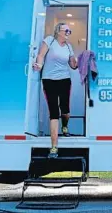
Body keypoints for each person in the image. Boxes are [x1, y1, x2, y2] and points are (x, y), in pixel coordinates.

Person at [33, 23, 77, 158]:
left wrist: (76, 62)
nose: (69, 33)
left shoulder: (69, 47)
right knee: (53, 111)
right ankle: (54, 147)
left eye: (70, 31)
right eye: (67, 30)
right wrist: (39, 65)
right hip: (49, 80)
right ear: (58, 31)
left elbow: (72, 65)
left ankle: (65, 127)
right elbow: (41, 55)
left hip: (64, 79)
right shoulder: (49, 40)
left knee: (65, 110)